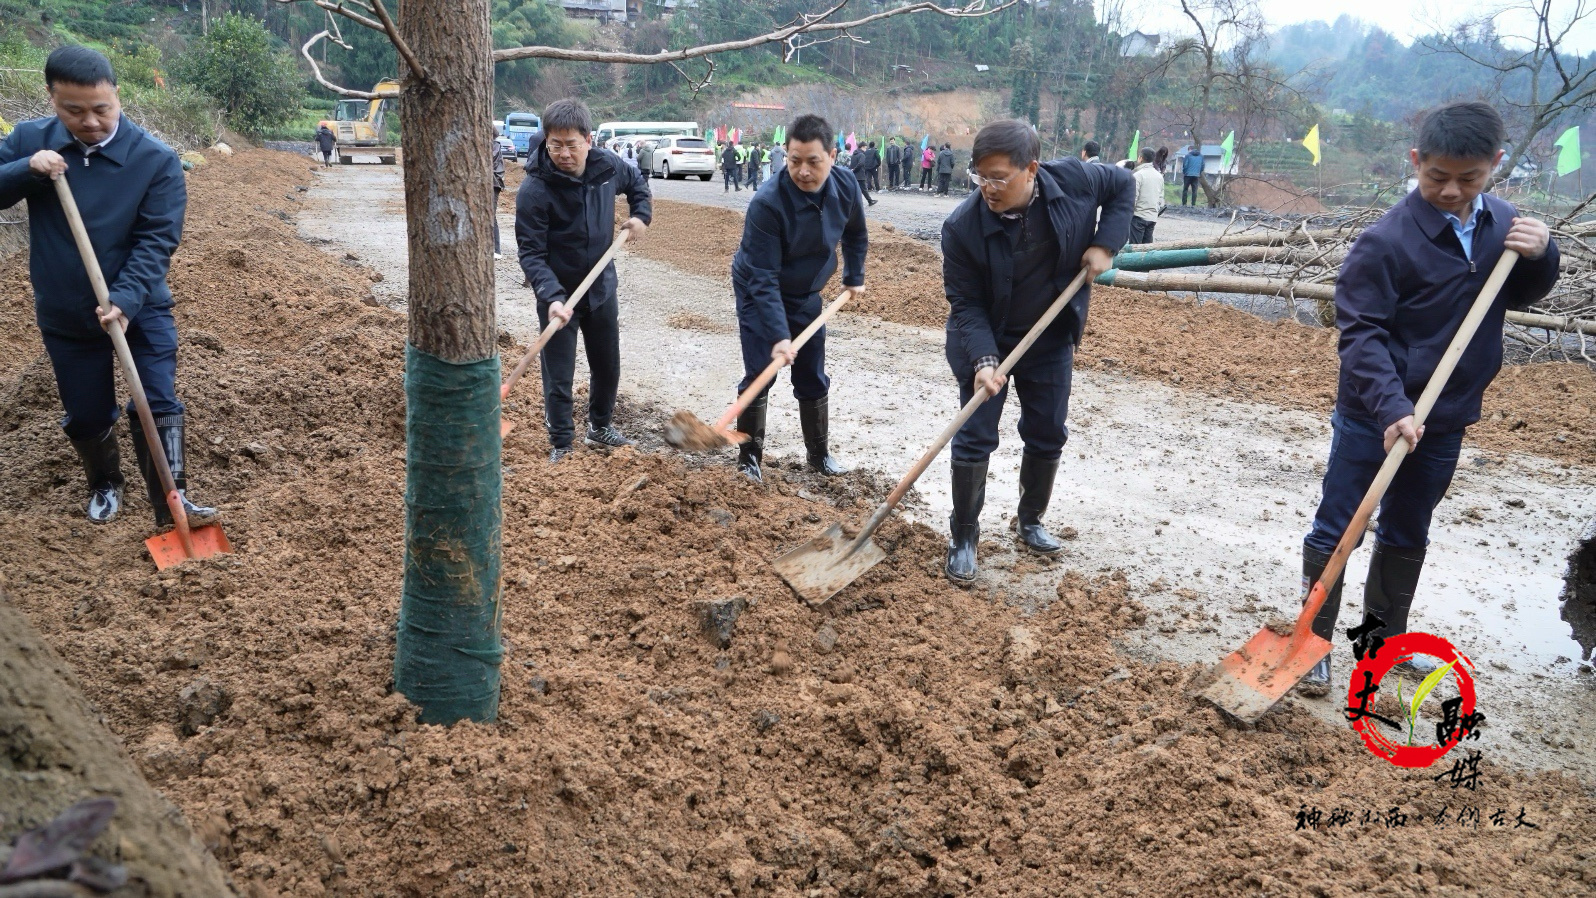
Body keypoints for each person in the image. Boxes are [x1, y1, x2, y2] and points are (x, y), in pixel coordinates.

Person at [1295, 101, 1559, 694]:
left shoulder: (1504, 228)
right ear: (1416, 162)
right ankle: (1313, 641)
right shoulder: (1385, 242)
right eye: (1436, 176)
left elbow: (1523, 293)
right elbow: (1360, 335)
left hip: (1446, 415)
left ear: (1495, 164)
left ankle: (1384, 642)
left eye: (1468, 179)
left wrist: (1545, 254)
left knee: (1409, 528)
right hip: (1374, 415)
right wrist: (1392, 408)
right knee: (1341, 527)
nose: (1450, 190)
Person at [0, 46, 219, 528]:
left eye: (102, 109)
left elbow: (158, 239)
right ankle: (105, 483)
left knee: (157, 402)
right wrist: (27, 169)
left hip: (140, 306)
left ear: (117, 96)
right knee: (86, 412)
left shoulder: (155, 160)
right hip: (66, 311)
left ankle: (172, 502)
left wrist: (124, 298)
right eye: (74, 111)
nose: (91, 121)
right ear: (52, 99)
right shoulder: (31, 140)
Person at [940, 119, 1133, 583]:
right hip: (987, 339)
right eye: (979, 176)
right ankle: (964, 536)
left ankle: (1030, 521)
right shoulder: (962, 228)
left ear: (1032, 169)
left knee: (1047, 431)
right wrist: (985, 363)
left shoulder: (1075, 179)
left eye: (998, 177)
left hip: (1049, 337)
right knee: (975, 432)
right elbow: (965, 305)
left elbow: (1123, 185)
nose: (987, 187)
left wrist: (1106, 243)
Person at [730, 114, 867, 483]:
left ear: (833, 156)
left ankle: (819, 455)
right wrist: (779, 336)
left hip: (808, 293)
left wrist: (854, 276)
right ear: (786, 155)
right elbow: (763, 277)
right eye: (794, 161)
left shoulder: (846, 185)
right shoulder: (767, 203)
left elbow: (855, 235)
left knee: (811, 371)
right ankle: (749, 458)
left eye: (813, 161)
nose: (803, 171)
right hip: (760, 289)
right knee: (761, 370)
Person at [515, 99, 651, 462]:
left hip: (601, 287)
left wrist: (641, 215)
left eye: (571, 144)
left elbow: (637, 183)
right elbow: (530, 254)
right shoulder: (535, 191)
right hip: (558, 294)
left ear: (588, 140)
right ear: (546, 142)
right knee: (559, 374)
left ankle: (600, 426)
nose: (562, 153)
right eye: (554, 144)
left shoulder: (607, 166)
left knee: (607, 364)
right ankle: (562, 443)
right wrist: (552, 296)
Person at [1129, 147, 1162, 245]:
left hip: (1139, 217)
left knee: (1135, 249)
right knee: (1147, 251)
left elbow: (1133, 198)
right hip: (1152, 218)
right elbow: (1161, 198)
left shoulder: (1138, 175)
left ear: (1141, 158)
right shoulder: (1159, 176)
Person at [491, 132, 506, 259]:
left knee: (491, 215)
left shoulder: (494, 146)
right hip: (489, 183)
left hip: (493, 184)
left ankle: (496, 250)